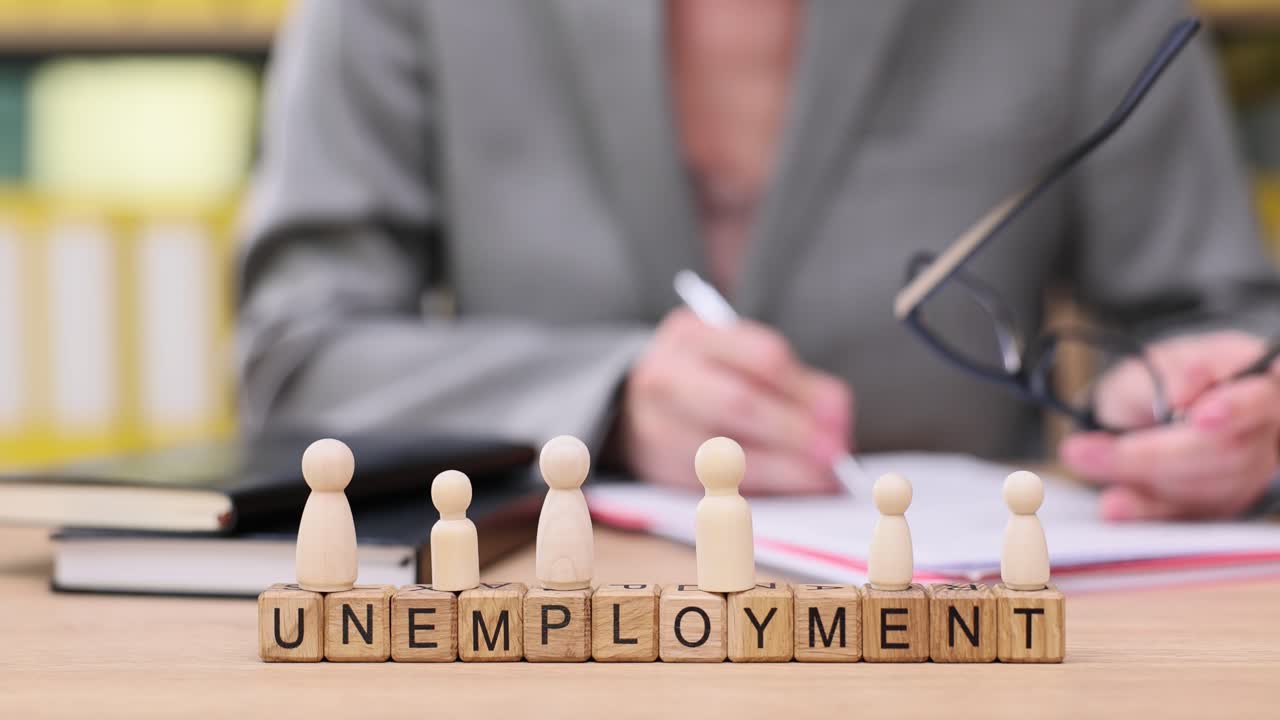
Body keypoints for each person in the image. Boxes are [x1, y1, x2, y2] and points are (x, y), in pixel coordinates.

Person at [237, 0, 1280, 521]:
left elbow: (1224, 317)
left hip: (970, 649)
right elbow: (297, 353)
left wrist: (1227, 403)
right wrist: (606, 396)